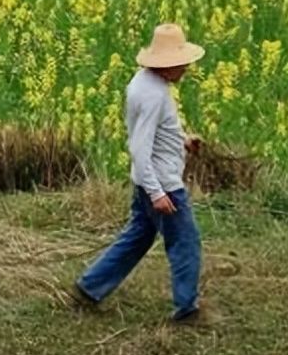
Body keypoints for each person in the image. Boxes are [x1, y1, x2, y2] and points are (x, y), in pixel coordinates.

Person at [74, 23, 205, 324]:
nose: (186, 67)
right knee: (186, 242)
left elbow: (154, 134)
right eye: (182, 62)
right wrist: (157, 193)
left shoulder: (145, 83)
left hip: (147, 180)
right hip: (162, 185)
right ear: (167, 64)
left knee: (137, 236)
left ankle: (89, 287)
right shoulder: (154, 96)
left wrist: (182, 140)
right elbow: (139, 147)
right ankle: (187, 309)